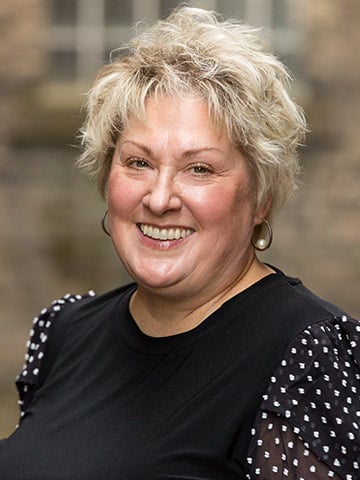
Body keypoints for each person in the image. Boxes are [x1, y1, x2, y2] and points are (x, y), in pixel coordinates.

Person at [0, 6, 359, 480]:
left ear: (261, 200)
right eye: (139, 162)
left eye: (200, 169)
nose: (160, 197)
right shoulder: (63, 333)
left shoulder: (308, 358)